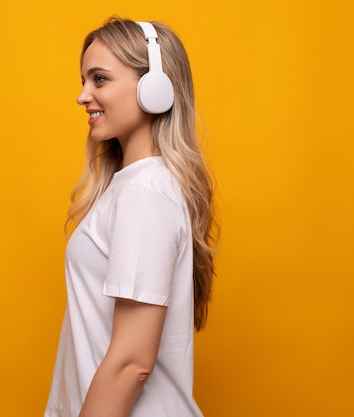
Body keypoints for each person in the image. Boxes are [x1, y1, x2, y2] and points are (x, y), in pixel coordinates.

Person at [44, 17, 218, 417]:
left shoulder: (145, 193)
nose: (82, 95)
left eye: (99, 79)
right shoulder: (133, 187)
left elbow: (131, 364)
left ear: (154, 88)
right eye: (84, 80)